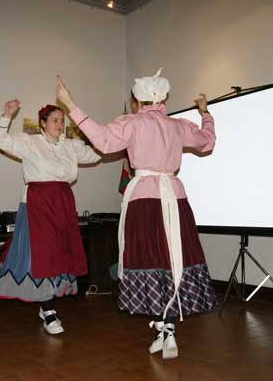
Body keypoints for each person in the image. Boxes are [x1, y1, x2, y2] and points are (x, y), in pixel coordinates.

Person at [57, 70, 218, 359]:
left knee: (150, 258)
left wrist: (71, 104)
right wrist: (205, 113)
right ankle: (166, 328)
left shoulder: (133, 123)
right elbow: (207, 141)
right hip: (174, 195)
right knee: (172, 259)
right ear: (163, 98)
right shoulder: (176, 125)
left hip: (145, 198)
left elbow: (103, 141)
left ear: (137, 100)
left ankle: (164, 328)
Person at [0, 99, 101, 335]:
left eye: (62, 121)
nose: (60, 124)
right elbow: (0, 140)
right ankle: (48, 310)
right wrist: (6, 115)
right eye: (55, 120)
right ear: (43, 123)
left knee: (59, 254)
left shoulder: (71, 146)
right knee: (42, 255)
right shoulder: (29, 143)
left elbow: (97, 155)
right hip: (37, 204)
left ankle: (46, 304)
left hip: (63, 202)